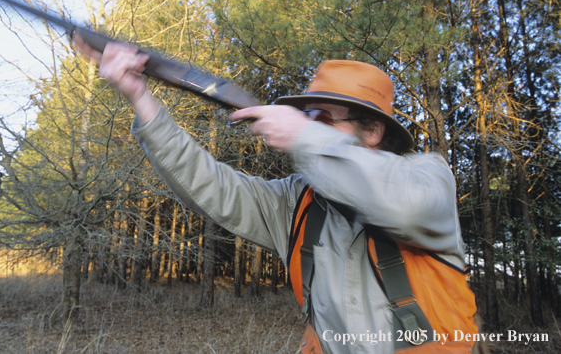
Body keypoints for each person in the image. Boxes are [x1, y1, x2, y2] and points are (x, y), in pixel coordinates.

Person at [74, 38, 479, 354]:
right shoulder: (296, 202)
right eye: (307, 117)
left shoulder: (427, 175)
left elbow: (400, 203)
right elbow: (212, 188)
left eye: (323, 119)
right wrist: (140, 98)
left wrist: (302, 135)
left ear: (372, 131)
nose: (310, 126)